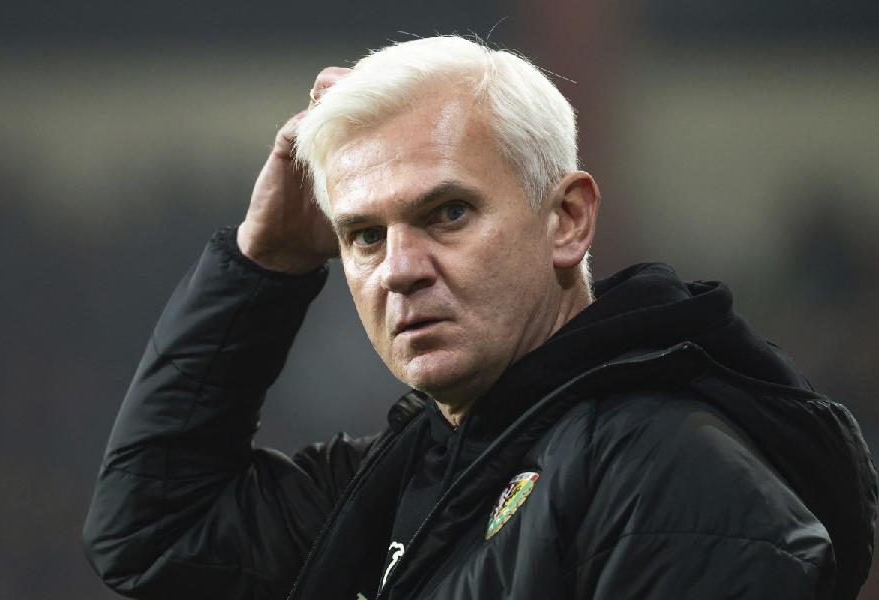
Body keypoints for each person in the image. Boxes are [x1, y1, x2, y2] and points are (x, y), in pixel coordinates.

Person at [83, 36, 877, 600]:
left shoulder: (670, 473)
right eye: (363, 235)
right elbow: (154, 532)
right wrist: (266, 260)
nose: (399, 267)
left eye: (448, 213)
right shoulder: (408, 478)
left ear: (566, 221)